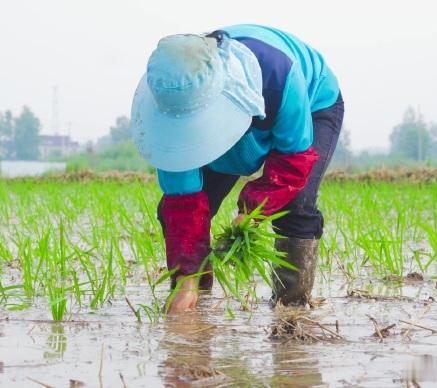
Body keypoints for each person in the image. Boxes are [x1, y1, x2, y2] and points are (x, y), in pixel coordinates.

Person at [130, 24, 344, 314]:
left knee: (296, 204)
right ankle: (196, 303)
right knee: (176, 216)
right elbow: (182, 200)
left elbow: (293, 160)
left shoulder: (278, 76)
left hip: (312, 102)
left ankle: (291, 310)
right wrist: (185, 279)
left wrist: (252, 211)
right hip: (239, 113)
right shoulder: (171, 99)